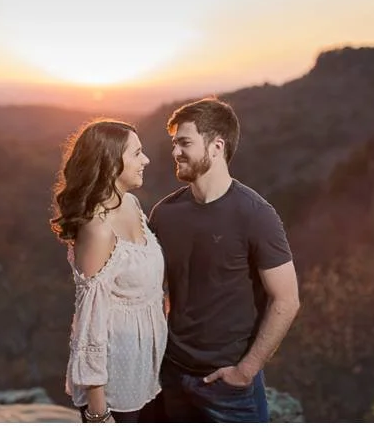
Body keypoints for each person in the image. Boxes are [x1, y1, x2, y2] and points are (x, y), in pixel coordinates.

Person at [148, 97, 301, 422]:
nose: (175, 152)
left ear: (216, 146)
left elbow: (286, 300)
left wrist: (246, 370)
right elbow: (152, 289)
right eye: (174, 143)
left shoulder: (255, 215)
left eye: (184, 143)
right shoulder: (164, 214)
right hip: (171, 376)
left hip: (230, 387)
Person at [50, 119, 167, 423]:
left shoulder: (131, 204)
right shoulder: (97, 230)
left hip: (148, 375)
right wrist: (98, 412)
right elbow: (89, 324)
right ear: (112, 163)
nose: (146, 160)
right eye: (137, 153)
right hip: (115, 387)